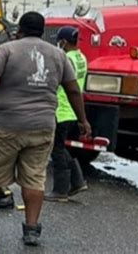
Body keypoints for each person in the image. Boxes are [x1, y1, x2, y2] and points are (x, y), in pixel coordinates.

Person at [0, 12, 91, 246]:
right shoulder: (59, 55)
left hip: (8, 124)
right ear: (42, 30)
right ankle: (31, 230)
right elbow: (73, 90)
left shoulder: (7, 50)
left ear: (20, 30)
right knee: (35, 178)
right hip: (42, 126)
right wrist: (83, 121)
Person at [45, 26, 88, 202]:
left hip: (61, 109)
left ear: (63, 41)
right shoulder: (81, 57)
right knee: (62, 148)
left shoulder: (65, 58)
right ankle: (77, 181)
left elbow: (54, 81)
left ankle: (60, 190)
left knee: (57, 150)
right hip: (72, 110)